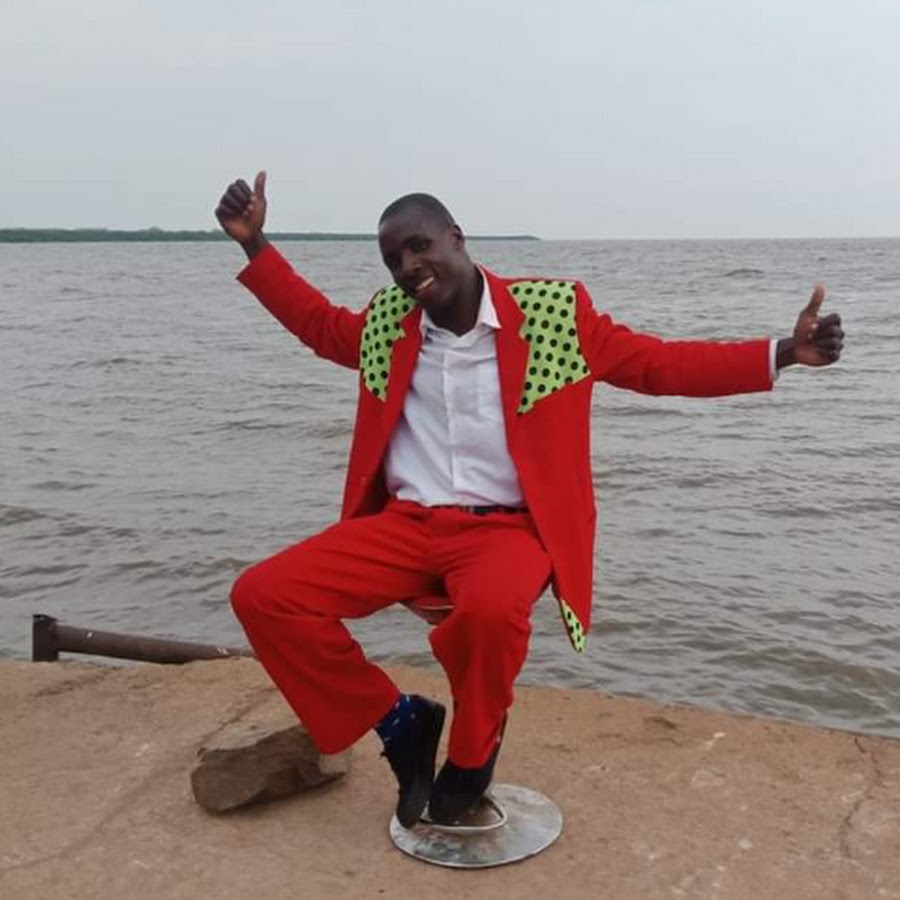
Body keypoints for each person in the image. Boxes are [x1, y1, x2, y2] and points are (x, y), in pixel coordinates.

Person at [215, 171, 843, 828]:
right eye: (393, 259)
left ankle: (470, 758)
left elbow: (660, 365)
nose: (409, 267)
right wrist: (255, 244)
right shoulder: (387, 324)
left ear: (457, 238)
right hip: (404, 526)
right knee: (264, 596)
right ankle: (402, 724)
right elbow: (318, 324)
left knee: (489, 614)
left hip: (507, 532)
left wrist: (783, 354)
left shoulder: (553, 314)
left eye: (420, 246)